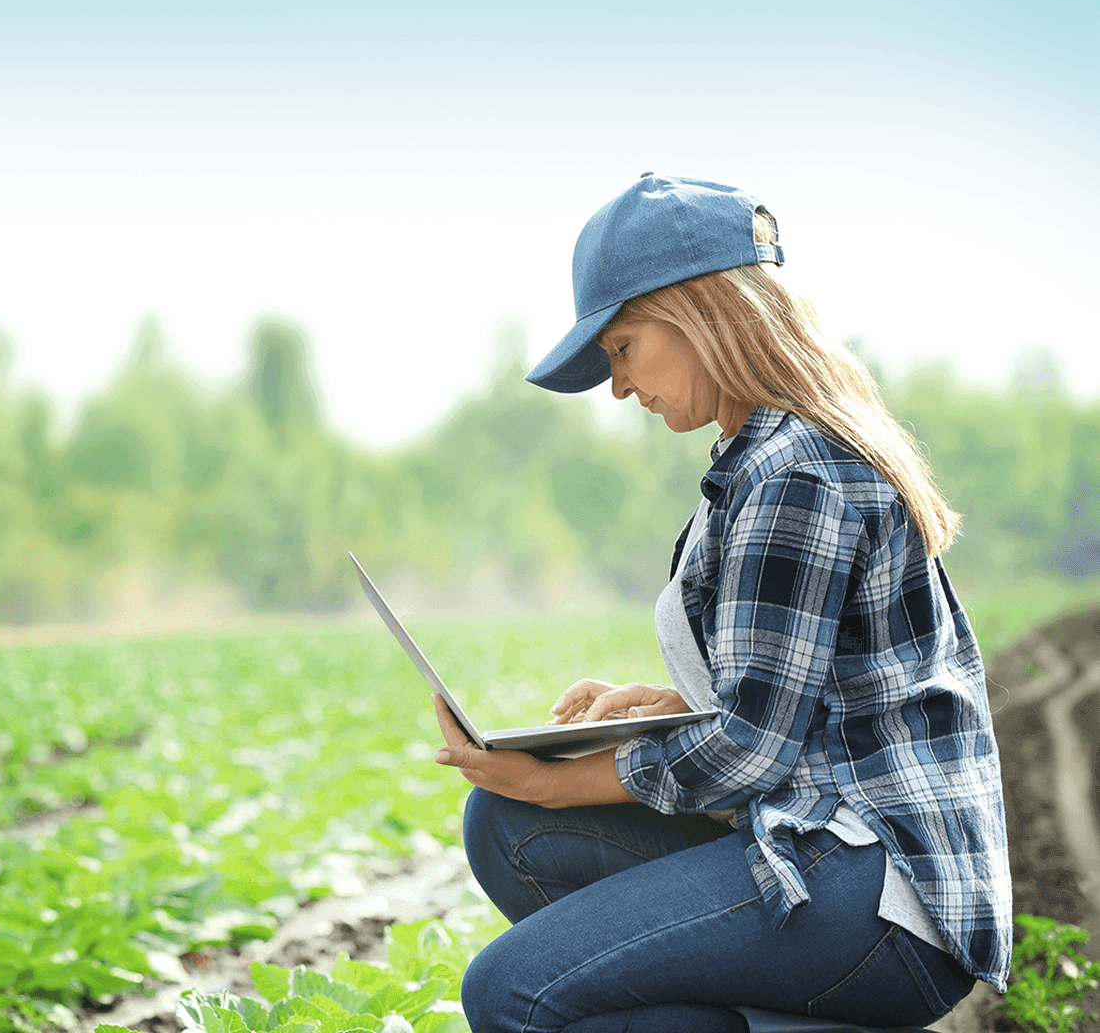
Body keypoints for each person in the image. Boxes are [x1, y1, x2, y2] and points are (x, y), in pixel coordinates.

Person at [430, 173, 1011, 1033]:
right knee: (505, 824)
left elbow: (751, 749)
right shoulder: (759, 459)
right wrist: (668, 712)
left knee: (510, 990)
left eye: (623, 348)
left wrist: (565, 784)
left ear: (702, 312)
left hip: (882, 887)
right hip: (820, 834)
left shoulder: (795, 473)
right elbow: (797, 700)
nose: (619, 387)